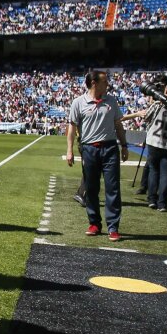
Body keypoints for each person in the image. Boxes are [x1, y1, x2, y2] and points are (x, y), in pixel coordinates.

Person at [66, 70, 129, 241]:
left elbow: (118, 125)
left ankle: (113, 226)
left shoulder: (111, 101)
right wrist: (70, 150)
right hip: (89, 149)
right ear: (94, 83)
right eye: (104, 81)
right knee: (91, 188)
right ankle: (94, 223)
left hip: (110, 148)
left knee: (113, 188)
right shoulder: (79, 102)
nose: (107, 84)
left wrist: (124, 145)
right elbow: (72, 127)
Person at [126, 80, 167, 211]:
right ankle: (163, 203)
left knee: (154, 170)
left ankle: (152, 199)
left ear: (165, 91)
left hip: (155, 141)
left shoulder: (159, 104)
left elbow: (146, 117)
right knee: (166, 173)